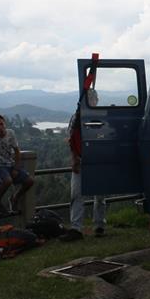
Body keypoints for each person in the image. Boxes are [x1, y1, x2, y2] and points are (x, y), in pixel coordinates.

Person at [59, 89, 106, 241]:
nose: (92, 101)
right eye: (90, 99)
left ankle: (99, 225)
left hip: (98, 160)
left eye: (94, 98)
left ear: (97, 100)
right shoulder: (77, 117)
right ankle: (76, 228)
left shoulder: (102, 115)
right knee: (76, 194)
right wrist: (74, 159)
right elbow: (71, 140)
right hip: (81, 159)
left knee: (100, 195)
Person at [0, 114, 34, 214]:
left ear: (5, 124)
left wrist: (16, 168)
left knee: (30, 181)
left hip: (10, 164)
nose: (0, 127)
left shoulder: (11, 133)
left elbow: (17, 151)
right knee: (7, 181)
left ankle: (14, 198)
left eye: (1, 124)